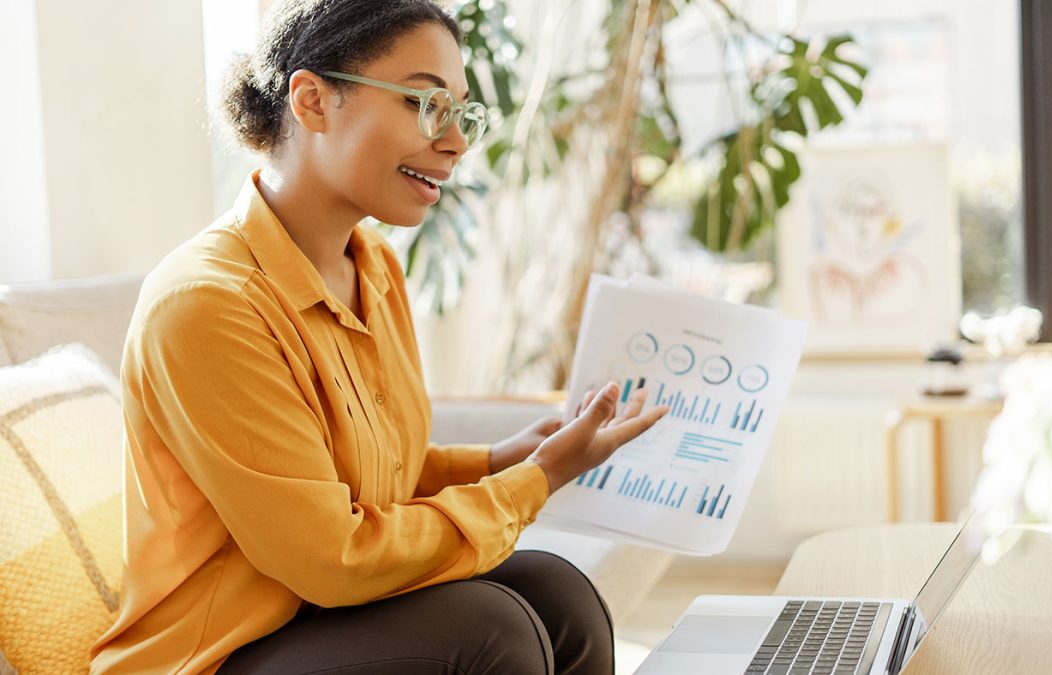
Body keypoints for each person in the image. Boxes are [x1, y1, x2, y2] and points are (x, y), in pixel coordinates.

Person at [89, 1, 667, 673]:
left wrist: (500, 459)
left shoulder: (375, 268)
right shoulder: (207, 305)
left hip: (320, 624)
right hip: (217, 654)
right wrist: (537, 480)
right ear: (312, 101)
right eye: (425, 104)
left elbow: (372, 477)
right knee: (488, 628)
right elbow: (330, 556)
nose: (455, 142)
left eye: (462, 113)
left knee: (557, 592)